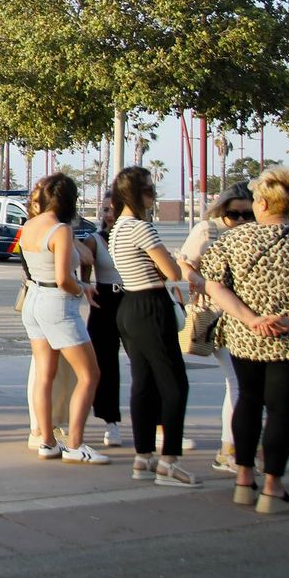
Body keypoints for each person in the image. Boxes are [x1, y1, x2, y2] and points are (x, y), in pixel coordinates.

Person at [200, 166, 289, 514]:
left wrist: (250, 318)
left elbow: (214, 284)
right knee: (281, 409)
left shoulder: (233, 241)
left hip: (245, 336)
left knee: (248, 401)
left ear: (262, 204)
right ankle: (272, 487)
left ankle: (243, 480)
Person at [108, 166, 196, 487]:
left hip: (129, 305)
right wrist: (173, 261)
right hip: (151, 305)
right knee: (174, 384)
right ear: (133, 194)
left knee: (142, 383)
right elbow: (173, 272)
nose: (153, 196)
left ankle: (143, 456)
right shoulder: (142, 228)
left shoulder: (118, 228)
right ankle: (169, 461)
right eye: (148, 190)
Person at [16, 174, 110, 465]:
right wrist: (82, 288)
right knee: (90, 374)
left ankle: (46, 440)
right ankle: (75, 445)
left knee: (44, 375)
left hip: (33, 300)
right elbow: (63, 279)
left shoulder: (29, 226)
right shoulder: (60, 230)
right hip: (57, 304)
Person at [176, 182, 254, 474]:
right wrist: (202, 283)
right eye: (235, 215)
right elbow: (184, 264)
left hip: (247, 314)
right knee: (237, 380)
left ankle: (236, 447)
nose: (241, 220)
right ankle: (228, 449)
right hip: (218, 315)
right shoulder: (208, 230)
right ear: (222, 210)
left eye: (248, 215)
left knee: (243, 382)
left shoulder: (254, 232)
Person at [79, 199, 124, 447]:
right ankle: (111, 422)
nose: (109, 214)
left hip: (133, 299)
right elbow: (84, 277)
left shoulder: (138, 234)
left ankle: (159, 425)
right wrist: (87, 291)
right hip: (105, 300)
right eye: (105, 209)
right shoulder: (94, 240)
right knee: (105, 364)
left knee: (146, 363)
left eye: (114, 209)